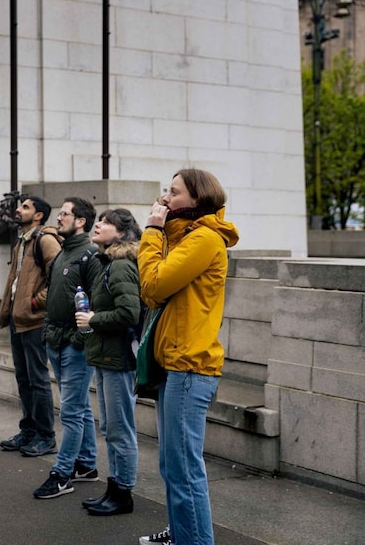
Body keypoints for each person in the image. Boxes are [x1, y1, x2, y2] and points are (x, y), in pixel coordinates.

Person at [136, 168, 239, 545]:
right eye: (166, 190)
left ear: (197, 200)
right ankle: (183, 533)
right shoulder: (186, 238)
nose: (165, 198)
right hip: (176, 366)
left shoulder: (204, 240)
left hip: (189, 367)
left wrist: (151, 230)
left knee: (184, 469)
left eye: (174, 192)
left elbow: (152, 285)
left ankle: (193, 539)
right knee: (173, 465)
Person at [75, 208, 142, 516]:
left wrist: (93, 318)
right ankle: (114, 489)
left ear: (121, 232)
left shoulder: (121, 265)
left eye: (105, 222)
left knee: (119, 429)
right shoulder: (108, 263)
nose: (97, 225)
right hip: (104, 356)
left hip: (117, 359)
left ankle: (123, 493)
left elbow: (130, 313)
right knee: (111, 428)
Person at [33, 197, 100, 499]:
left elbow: (97, 304)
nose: (58, 218)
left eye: (64, 214)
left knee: (71, 412)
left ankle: (62, 475)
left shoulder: (90, 255)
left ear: (81, 221)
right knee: (79, 407)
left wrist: (79, 339)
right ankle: (86, 464)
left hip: (75, 345)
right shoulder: (63, 253)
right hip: (55, 341)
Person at [0, 195, 61, 455]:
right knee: (23, 378)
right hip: (17, 319)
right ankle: (29, 430)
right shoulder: (22, 241)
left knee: (38, 380)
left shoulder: (45, 240)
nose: (18, 209)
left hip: (33, 320)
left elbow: (57, 277)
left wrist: (36, 303)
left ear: (38, 215)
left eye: (25, 207)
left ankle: (46, 436)